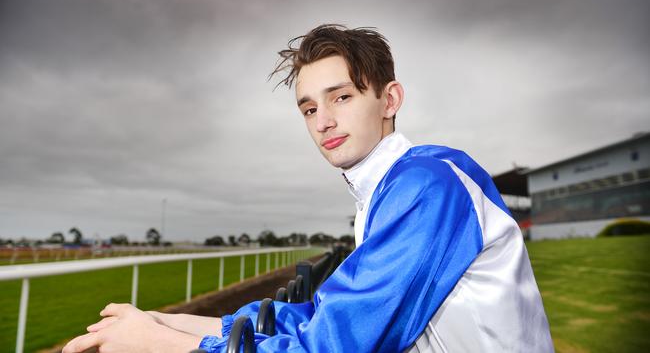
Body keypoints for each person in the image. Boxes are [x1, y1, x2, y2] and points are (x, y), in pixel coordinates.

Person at [63, 24, 553, 353]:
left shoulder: (427, 186)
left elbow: (333, 344)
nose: (324, 121)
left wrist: (159, 344)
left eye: (341, 96)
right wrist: (169, 322)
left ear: (390, 99)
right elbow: (321, 315)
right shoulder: (390, 188)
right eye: (309, 108)